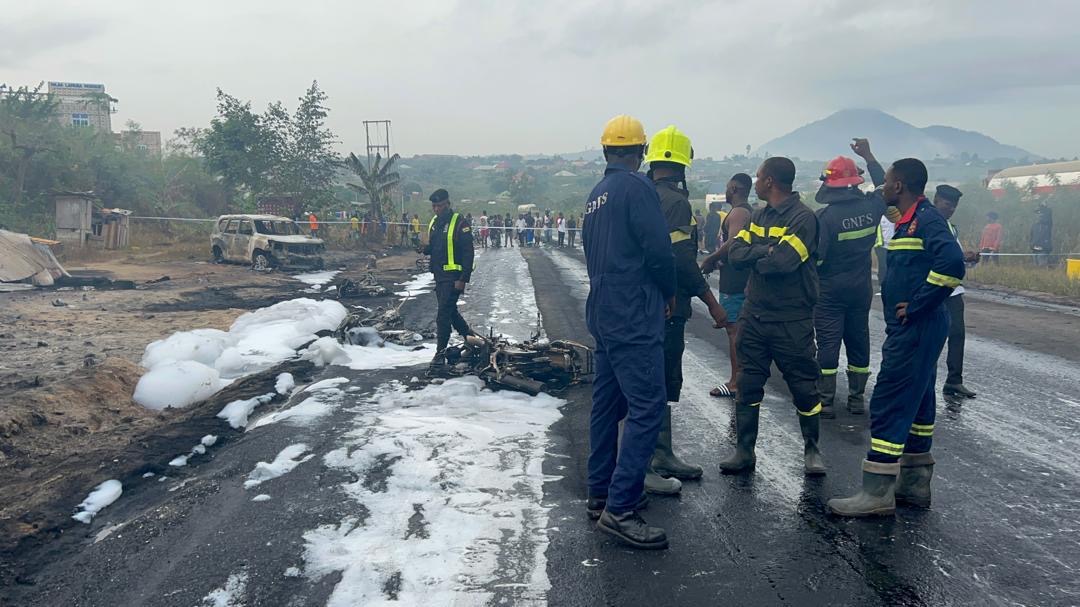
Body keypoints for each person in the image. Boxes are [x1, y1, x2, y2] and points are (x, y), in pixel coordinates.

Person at [828, 158, 965, 517]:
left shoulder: (927, 220)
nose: (882, 187)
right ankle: (914, 483)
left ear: (899, 186)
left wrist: (917, 305)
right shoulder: (908, 220)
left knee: (890, 397)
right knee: (919, 402)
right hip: (919, 325)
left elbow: (951, 265)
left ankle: (877, 492)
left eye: (886, 181)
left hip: (917, 326)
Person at [583, 115, 675, 550]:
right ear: (640, 153)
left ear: (606, 152)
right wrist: (670, 291)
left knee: (607, 404)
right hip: (633, 312)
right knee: (646, 406)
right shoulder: (638, 189)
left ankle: (600, 493)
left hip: (603, 310)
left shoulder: (595, 195)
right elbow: (658, 250)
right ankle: (620, 510)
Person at [719, 157, 826, 477]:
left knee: (804, 386)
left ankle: (812, 449)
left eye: (760, 176)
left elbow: (783, 262)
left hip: (792, 318)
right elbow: (735, 254)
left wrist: (760, 255)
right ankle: (744, 451)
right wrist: (763, 252)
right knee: (748, 382)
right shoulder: (758, 216)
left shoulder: (803, 218)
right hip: (756, 314)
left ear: (770, 182)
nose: (756, 180)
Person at [643, 125, 729, 496]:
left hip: (646, 303)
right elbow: (681, 258)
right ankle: (655, 457)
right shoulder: (676, 202)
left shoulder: (643, 193)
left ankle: (660, 453)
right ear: (683, 164)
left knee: (652, 379)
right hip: (670, 304)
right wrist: (711, 301)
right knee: (661, 379)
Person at [812, 139, 891, 418]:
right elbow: (885, 185)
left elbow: (816, 259)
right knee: (859, 341)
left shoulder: (825, 217)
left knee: (828, 344)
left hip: (830, 291)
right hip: (861, 288)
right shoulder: (871, 208)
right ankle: (857, 399)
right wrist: (869, 155)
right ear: (855, 182)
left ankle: (827, 400)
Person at [701, 173, 754, 399]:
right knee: (735, 330)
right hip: (735, 279)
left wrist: (712, 258)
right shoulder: (741, 211)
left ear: (734, 187)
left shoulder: (740, 212)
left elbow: (734, 241)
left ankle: (735, 382)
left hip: (735, 283)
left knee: (734, 332)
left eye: (726, 186)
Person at [933, 185, 979, 400]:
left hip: (953, 290)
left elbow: (955, 258)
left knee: (957, 334)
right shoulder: (927, 224)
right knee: (932, 337)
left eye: (954, 206)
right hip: (933, 290)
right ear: (936, 200)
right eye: (947, 204)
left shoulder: (950, 228)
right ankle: (924, 379)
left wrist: (968, 258)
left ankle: (954, 381)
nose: (950, 209)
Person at [423, 189, 476, 369]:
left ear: (447, 204)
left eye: (439, 205)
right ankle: (473, 340)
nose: (436, 209)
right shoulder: (435, 223)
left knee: (443, 315)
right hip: (439, 276)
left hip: (454, 278)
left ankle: (440, 354)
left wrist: (463, 279)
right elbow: (435, 247)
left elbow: (469, 252)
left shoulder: (460, 222)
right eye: (434, 206)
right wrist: (424, 249)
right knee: (451, 312)